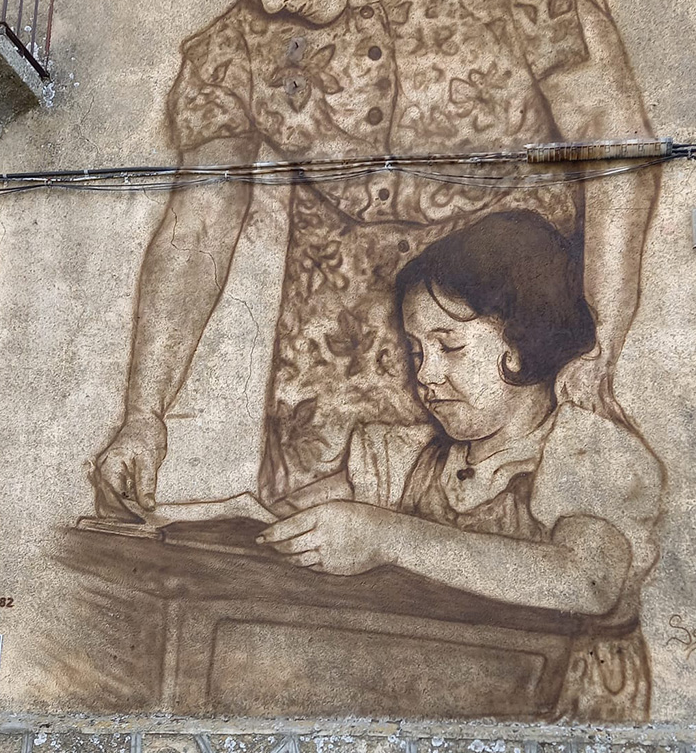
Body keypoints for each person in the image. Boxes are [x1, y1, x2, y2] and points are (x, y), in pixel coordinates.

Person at [91, 0, 660, 520]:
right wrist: (143, 413)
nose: (271, 0)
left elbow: (612, 141)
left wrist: (601, 336)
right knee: (312, 560)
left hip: (507, 349)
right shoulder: (231, 50)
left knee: (517, 548)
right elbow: (197, 229)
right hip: (333, 379)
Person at [257, 210, 663, 722]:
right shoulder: (405, 458)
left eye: (449, 346)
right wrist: (246, 515)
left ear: (523, 341)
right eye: (416, 351)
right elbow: (300, 518)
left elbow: (587, 583)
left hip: (560, 714)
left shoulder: (586, 451)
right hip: (444, 695)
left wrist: (386, 537)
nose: (425, 375)